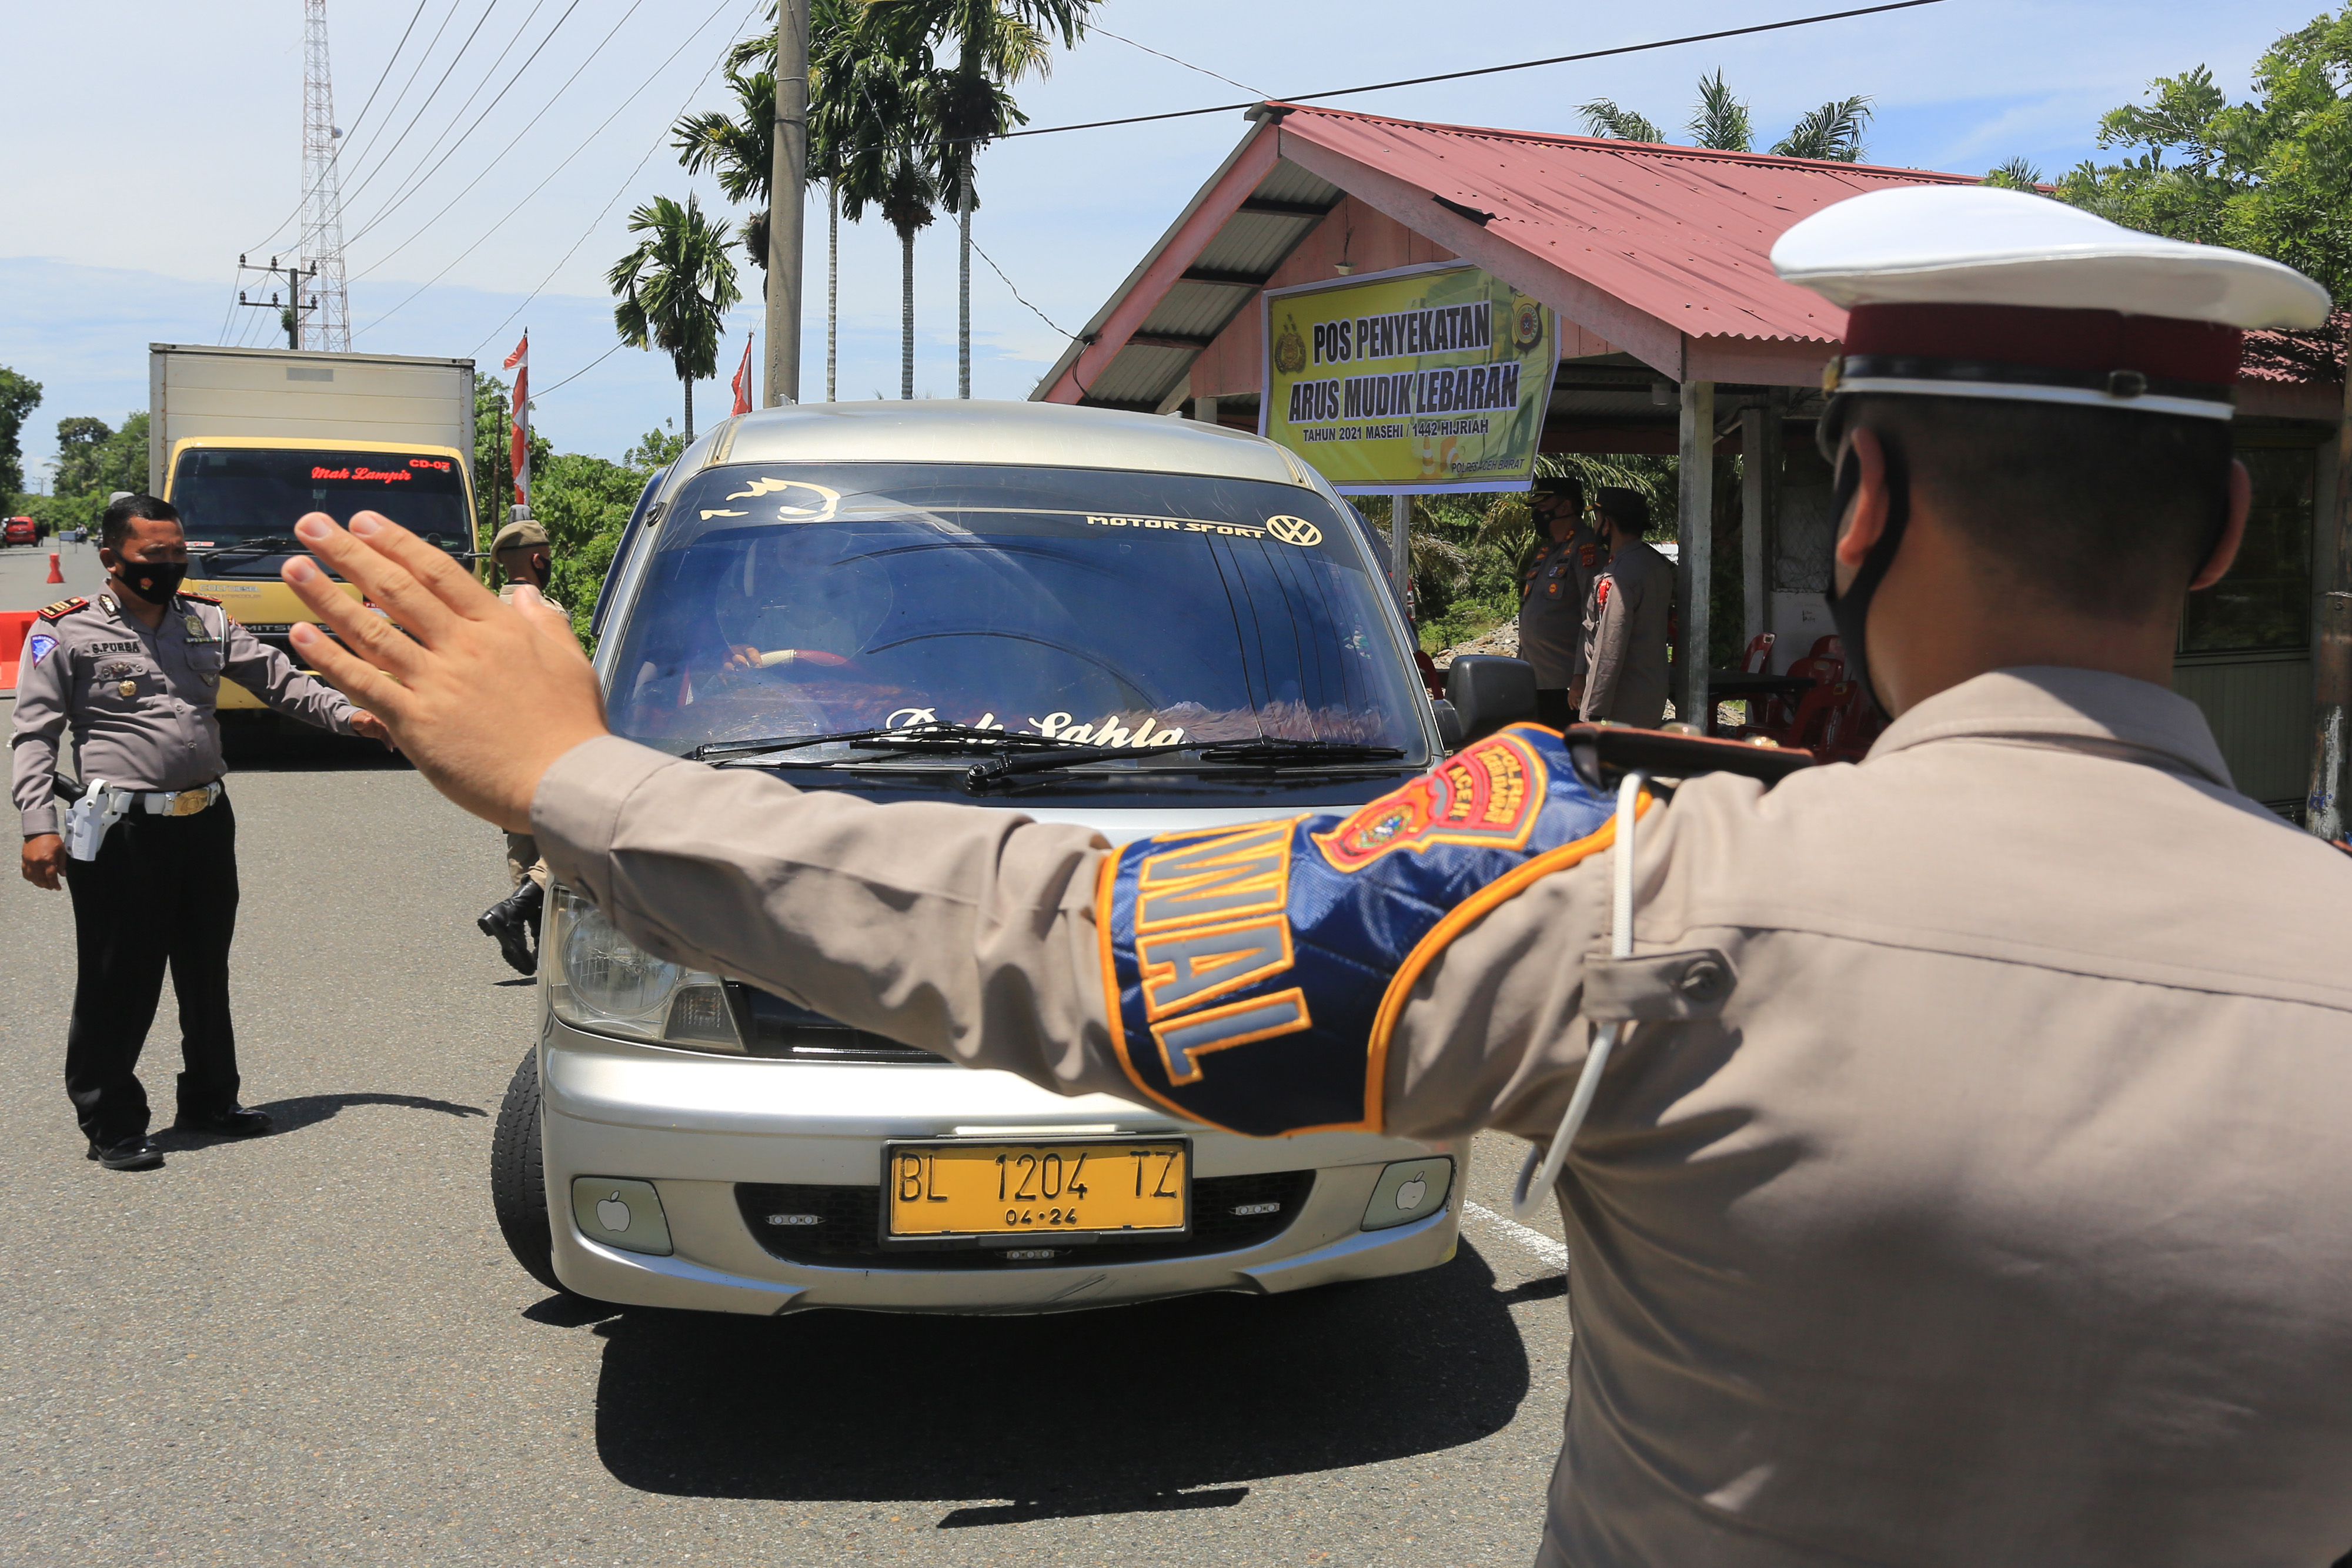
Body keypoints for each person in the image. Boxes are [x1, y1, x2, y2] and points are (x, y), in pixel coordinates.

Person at [275, 186, 2352, 1563]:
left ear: (1868, 499)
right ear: (2225, 541)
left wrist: (579, 775)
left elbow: (1049, 933)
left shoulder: (1627, 896)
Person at [11, 494, 390, 1171]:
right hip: (122, 830)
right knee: (117, 979)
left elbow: (280, 683)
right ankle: (112, 1121)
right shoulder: (61, 631)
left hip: (205, 822)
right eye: (153, 555)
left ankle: (211, 1099)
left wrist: (352, 717)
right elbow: (34, 736)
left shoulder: (208, 622)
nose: (169, 565)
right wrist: (38, 825)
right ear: (111, 559)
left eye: (178, 552)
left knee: (203, 967)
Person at [477, 516, 568, 974]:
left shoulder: (484, 612)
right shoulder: (546, 612)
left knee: (522, 841)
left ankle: (530, 932)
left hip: (497, 747)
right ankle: (515, 912)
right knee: (574, 837)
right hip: (545, 740)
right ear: (537, 560)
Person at [1577, 486, 1673, 727]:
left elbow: (1609, 647)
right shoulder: (1654, 563)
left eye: (1598, 519)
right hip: (1648, 693)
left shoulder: (1618, 575)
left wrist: (1593, 711)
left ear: (1607, 524)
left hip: (1620, 702)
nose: (1596, 526)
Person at [1515, 474, 1603, 727]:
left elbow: (1594, 617)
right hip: (1536, 678)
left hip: (1565, 681)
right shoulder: (1548, 550)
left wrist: (1581, 675)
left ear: (1565, 507)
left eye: (1542, 507)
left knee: (1567, 753)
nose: (1537, 514)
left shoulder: (1585, 548)